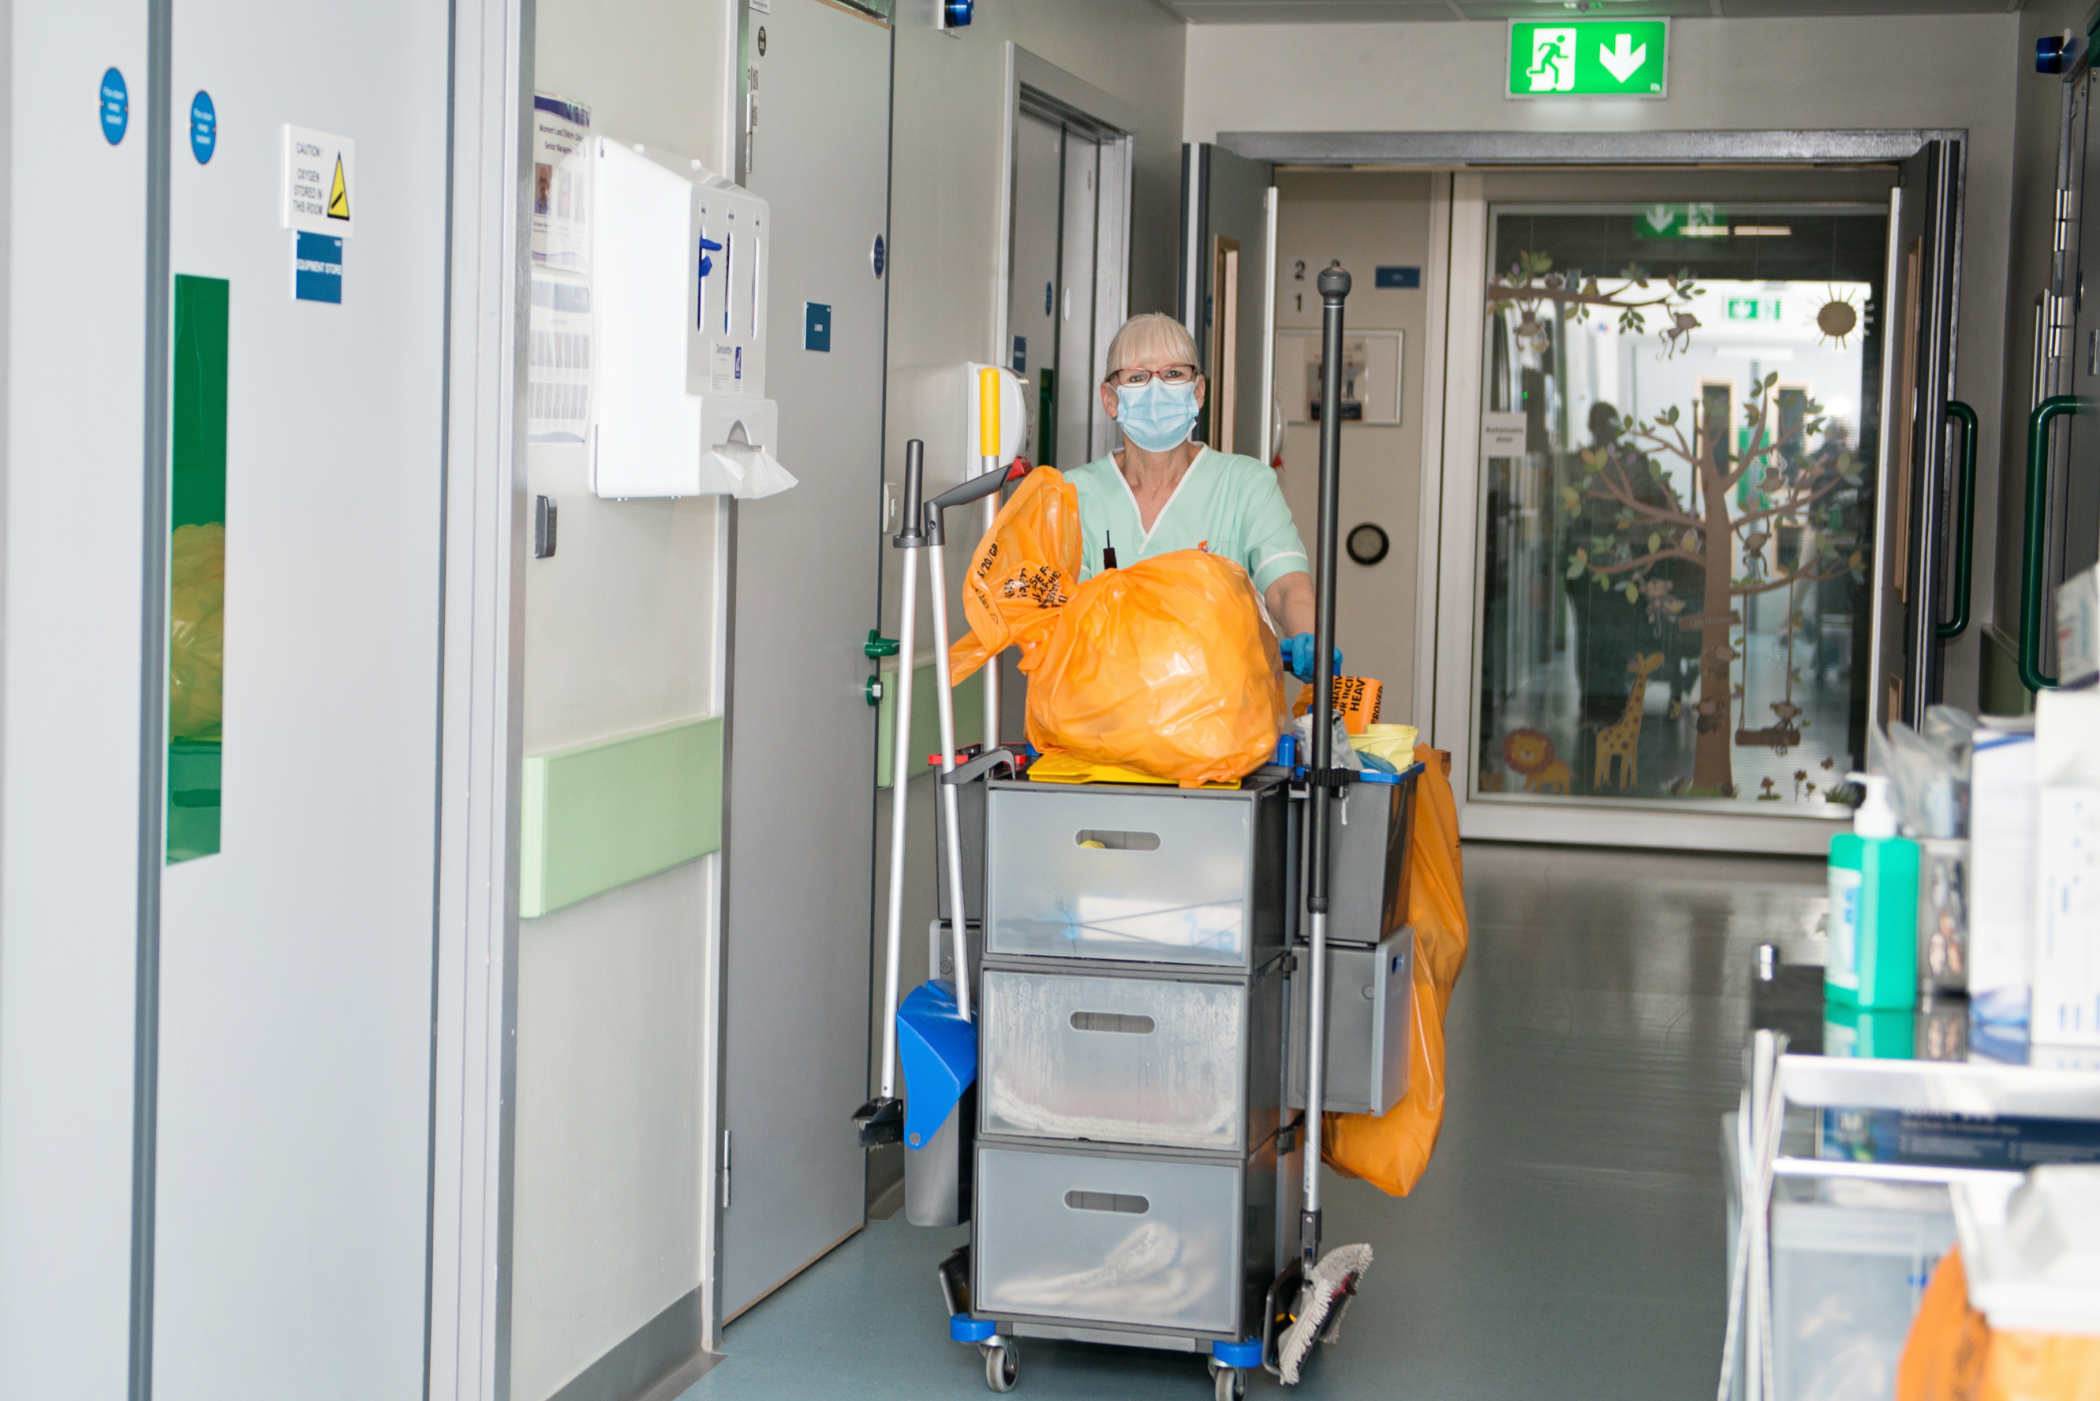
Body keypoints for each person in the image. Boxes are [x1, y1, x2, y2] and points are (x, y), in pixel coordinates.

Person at [1067, 312, 1336, 682]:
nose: (1156, 389)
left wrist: (1308, 637)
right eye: (1137, 377)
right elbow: (1061, 612)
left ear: (1198, 392)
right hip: (1105, 723)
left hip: (1221, 723)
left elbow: (1287, 584)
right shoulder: (1073, 494)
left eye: (1174, 374)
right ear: (1110, 399)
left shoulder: (1245, 484)